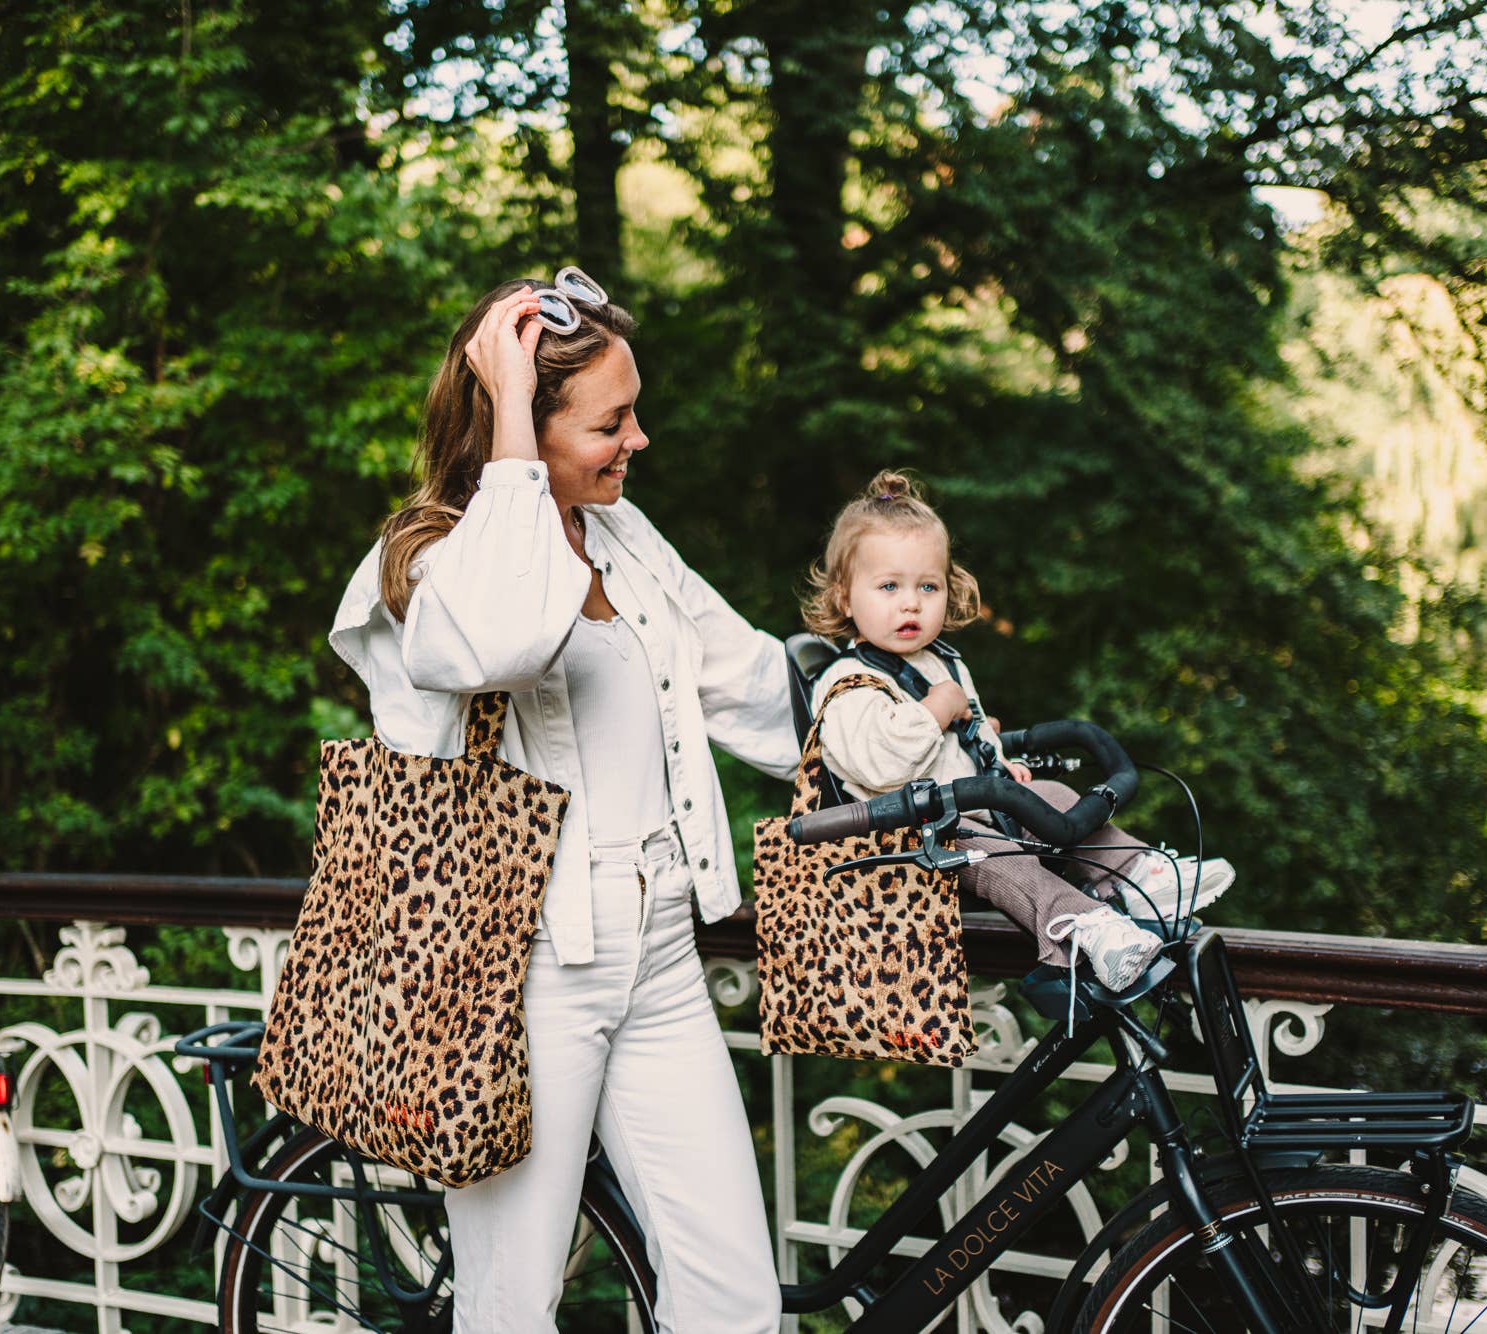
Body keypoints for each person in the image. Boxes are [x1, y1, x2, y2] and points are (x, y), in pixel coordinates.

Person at [326, 271, 789, 1333]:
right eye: (610, 422)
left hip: (662, 948)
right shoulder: (430, 560)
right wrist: (511, 438)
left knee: (733, 1294)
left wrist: (910, 719)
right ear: (521, 429)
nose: (638, 440)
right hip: (521, 969)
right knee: (513, 1304)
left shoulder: (624, 535)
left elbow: (750, 679)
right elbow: (496, 641)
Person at [802, 470, 1236, 994]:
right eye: (889, 586)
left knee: (1052, 796)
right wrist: (939, 707)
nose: (911, 603)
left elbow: (970, 732)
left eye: (928, 586)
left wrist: (997, 762)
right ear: (845, 598)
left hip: (968, 806)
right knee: (994, 853)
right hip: (907, 843)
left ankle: (1141, 874)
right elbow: (883, 763)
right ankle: (1081, 926)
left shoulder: (939, 661)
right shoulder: (846, 683)